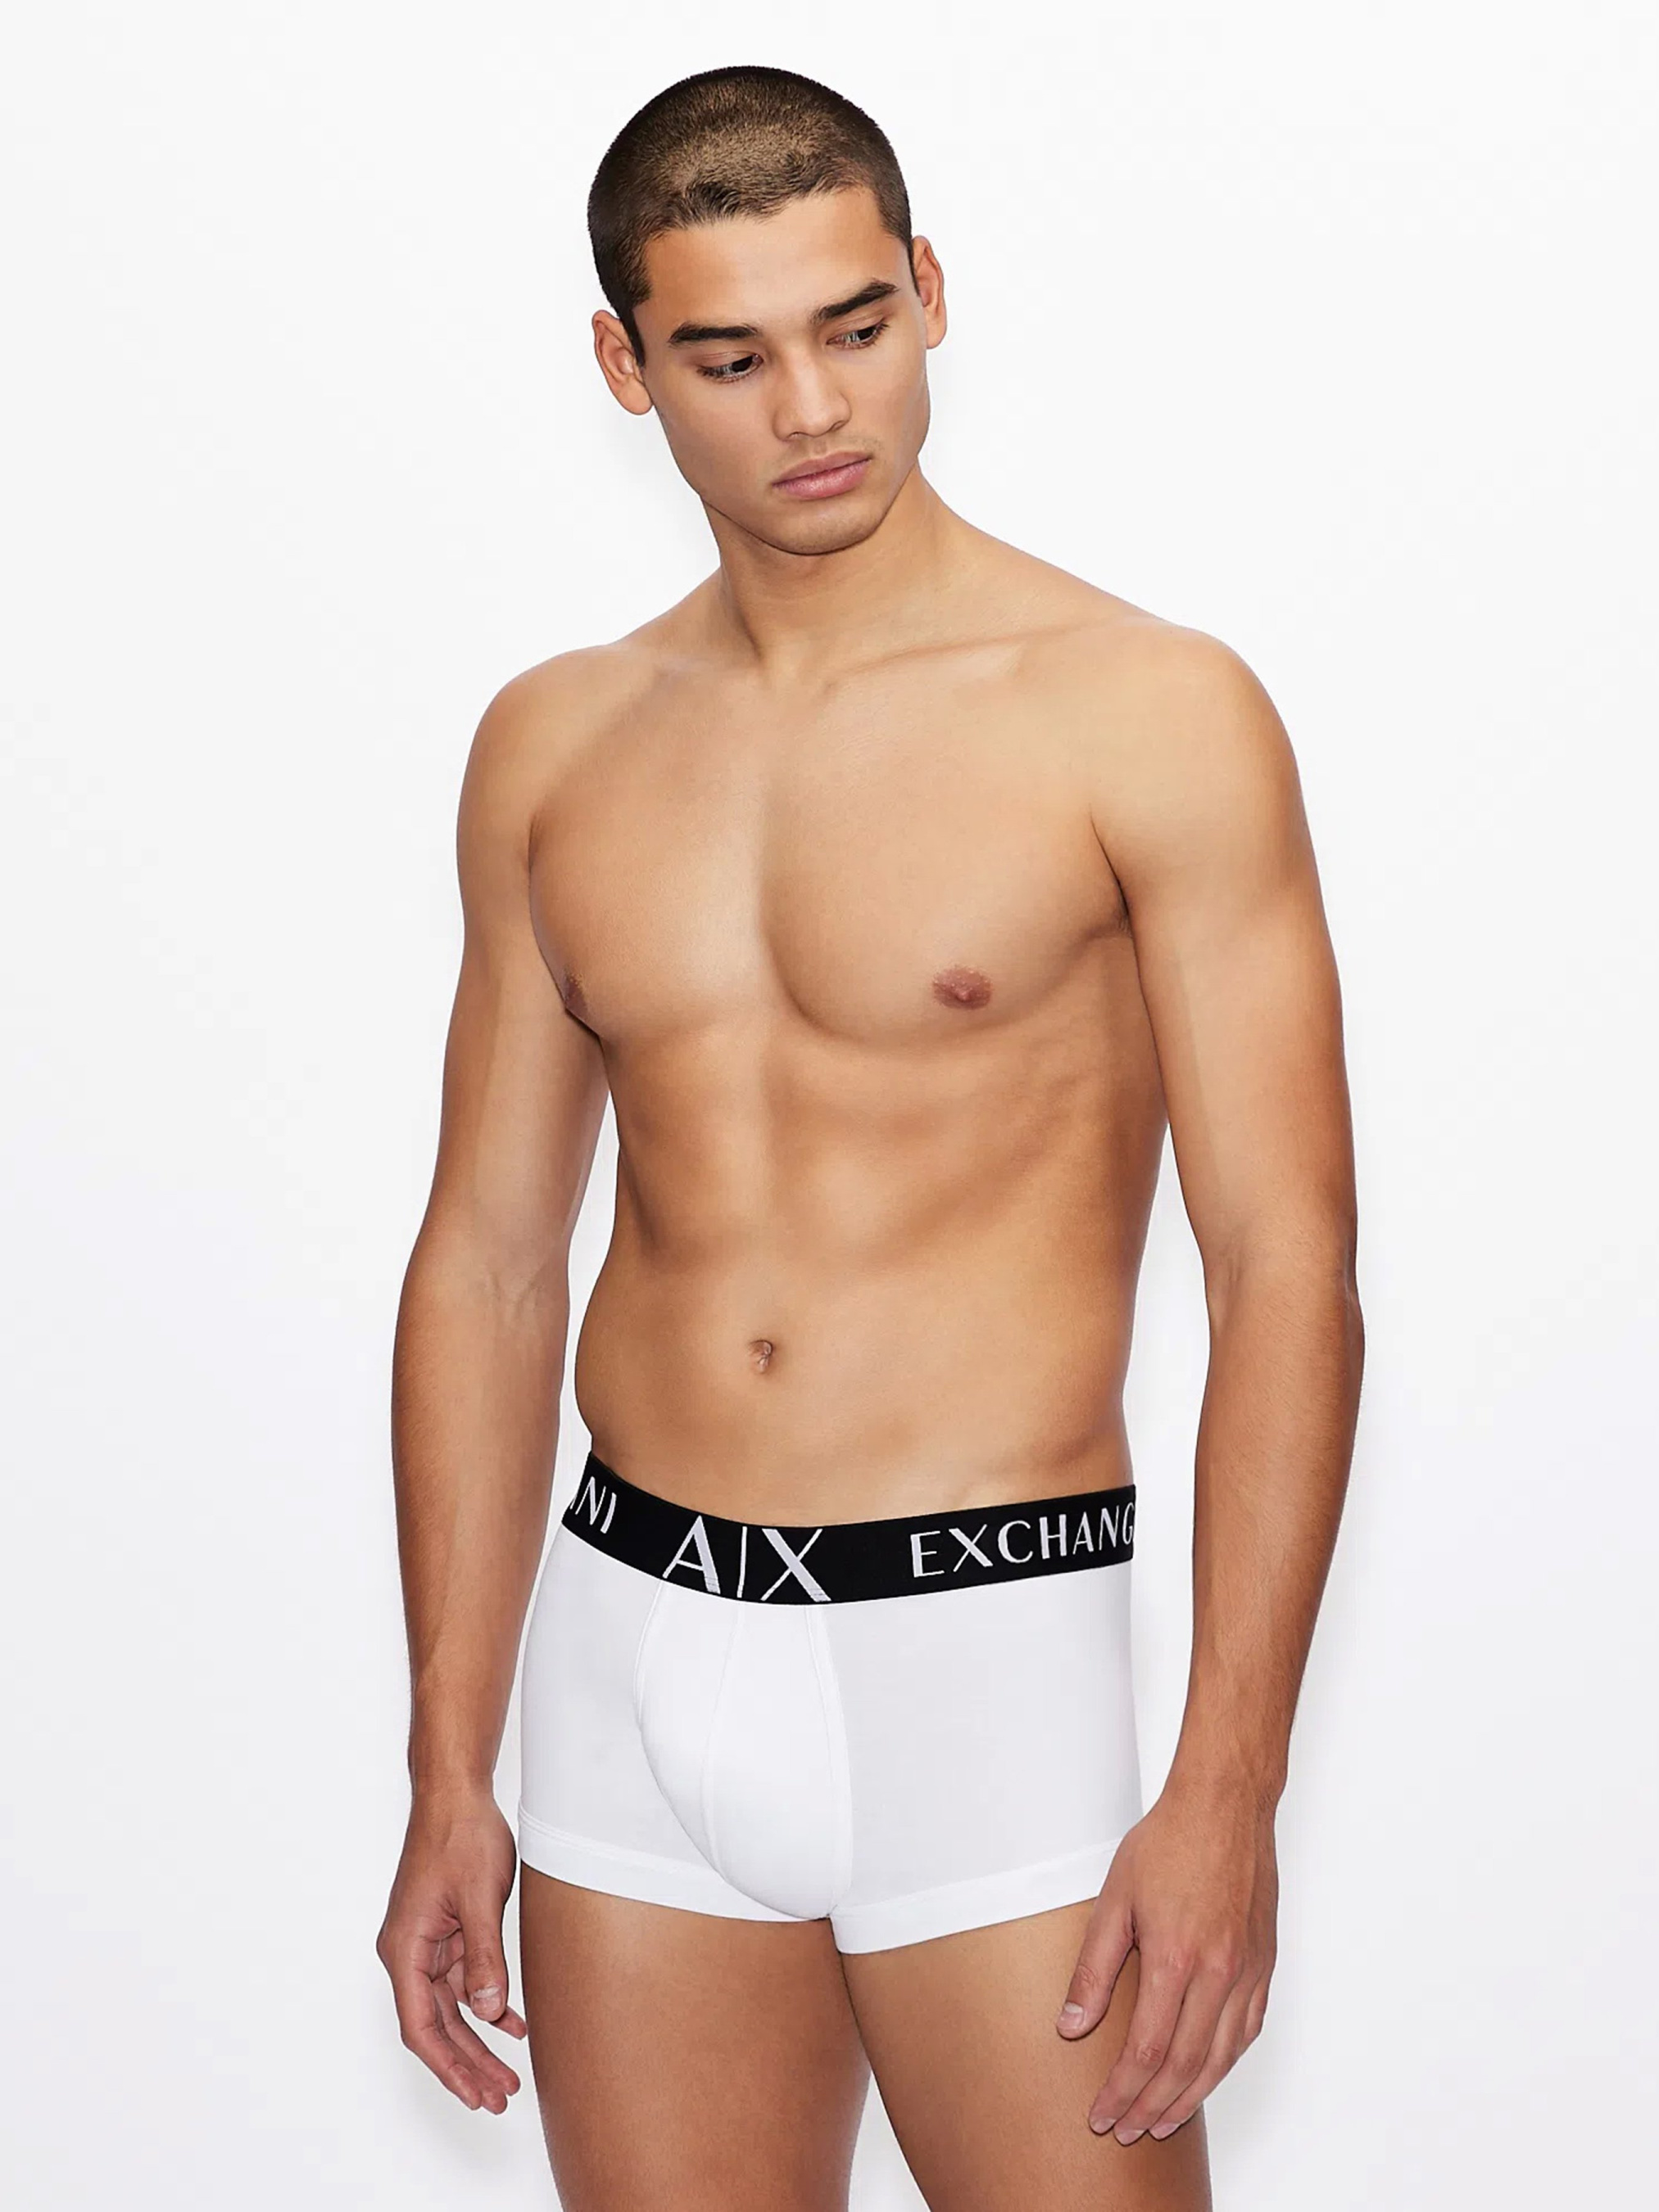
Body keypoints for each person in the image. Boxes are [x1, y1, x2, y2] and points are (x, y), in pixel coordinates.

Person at [374, 62, 1363, 2212]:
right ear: (626, 368)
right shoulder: (556, 745)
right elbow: (489, 1257)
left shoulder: (1141, 711)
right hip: (627, 1642)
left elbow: (1287, 1263)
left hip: (981, 1659)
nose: (813, 407)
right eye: (729, 357)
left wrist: (1227, 1783)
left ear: (927, 290)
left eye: (854, 325)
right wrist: (450, 1758)